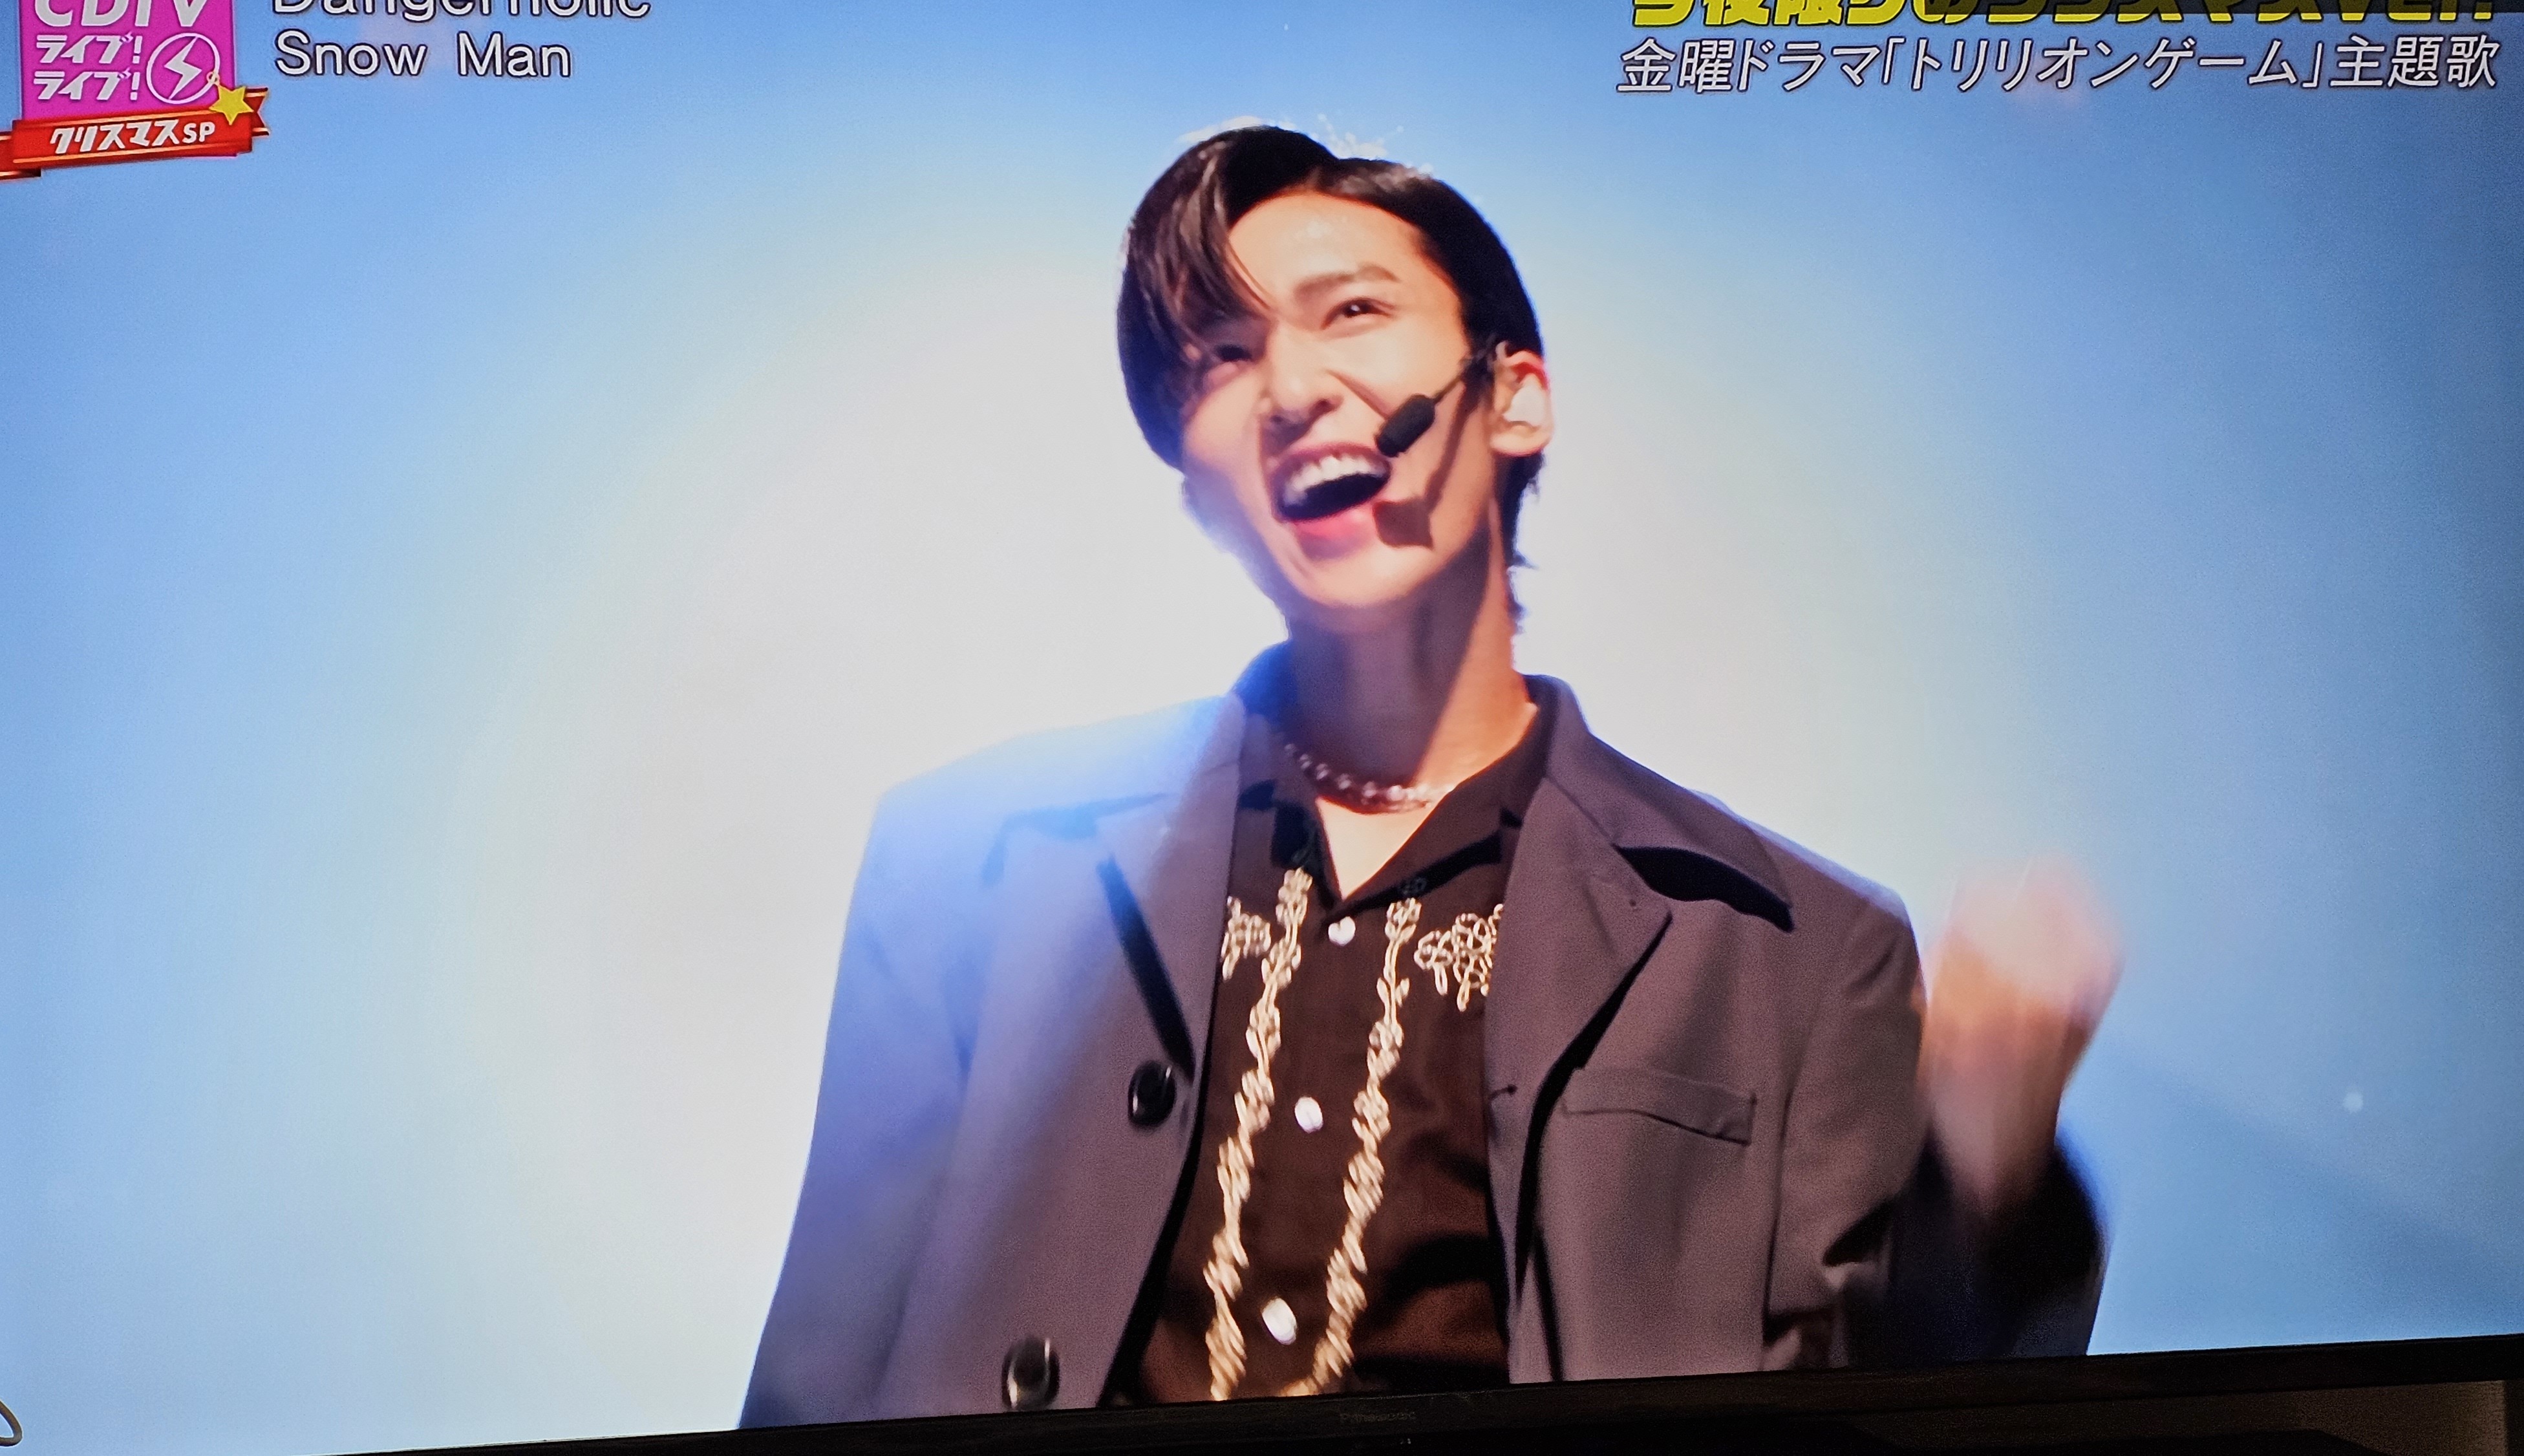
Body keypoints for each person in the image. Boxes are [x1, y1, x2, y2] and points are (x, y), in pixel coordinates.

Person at [740, 125, 2119, 1425]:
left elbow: (1881, 1418)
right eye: (1222, 357)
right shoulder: (976, 873)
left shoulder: (1790, 954)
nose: (1290, 391)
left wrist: (1983, 1171)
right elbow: (816, 1391)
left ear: (1514, 397)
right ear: (1196, 498)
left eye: (1350, 312)